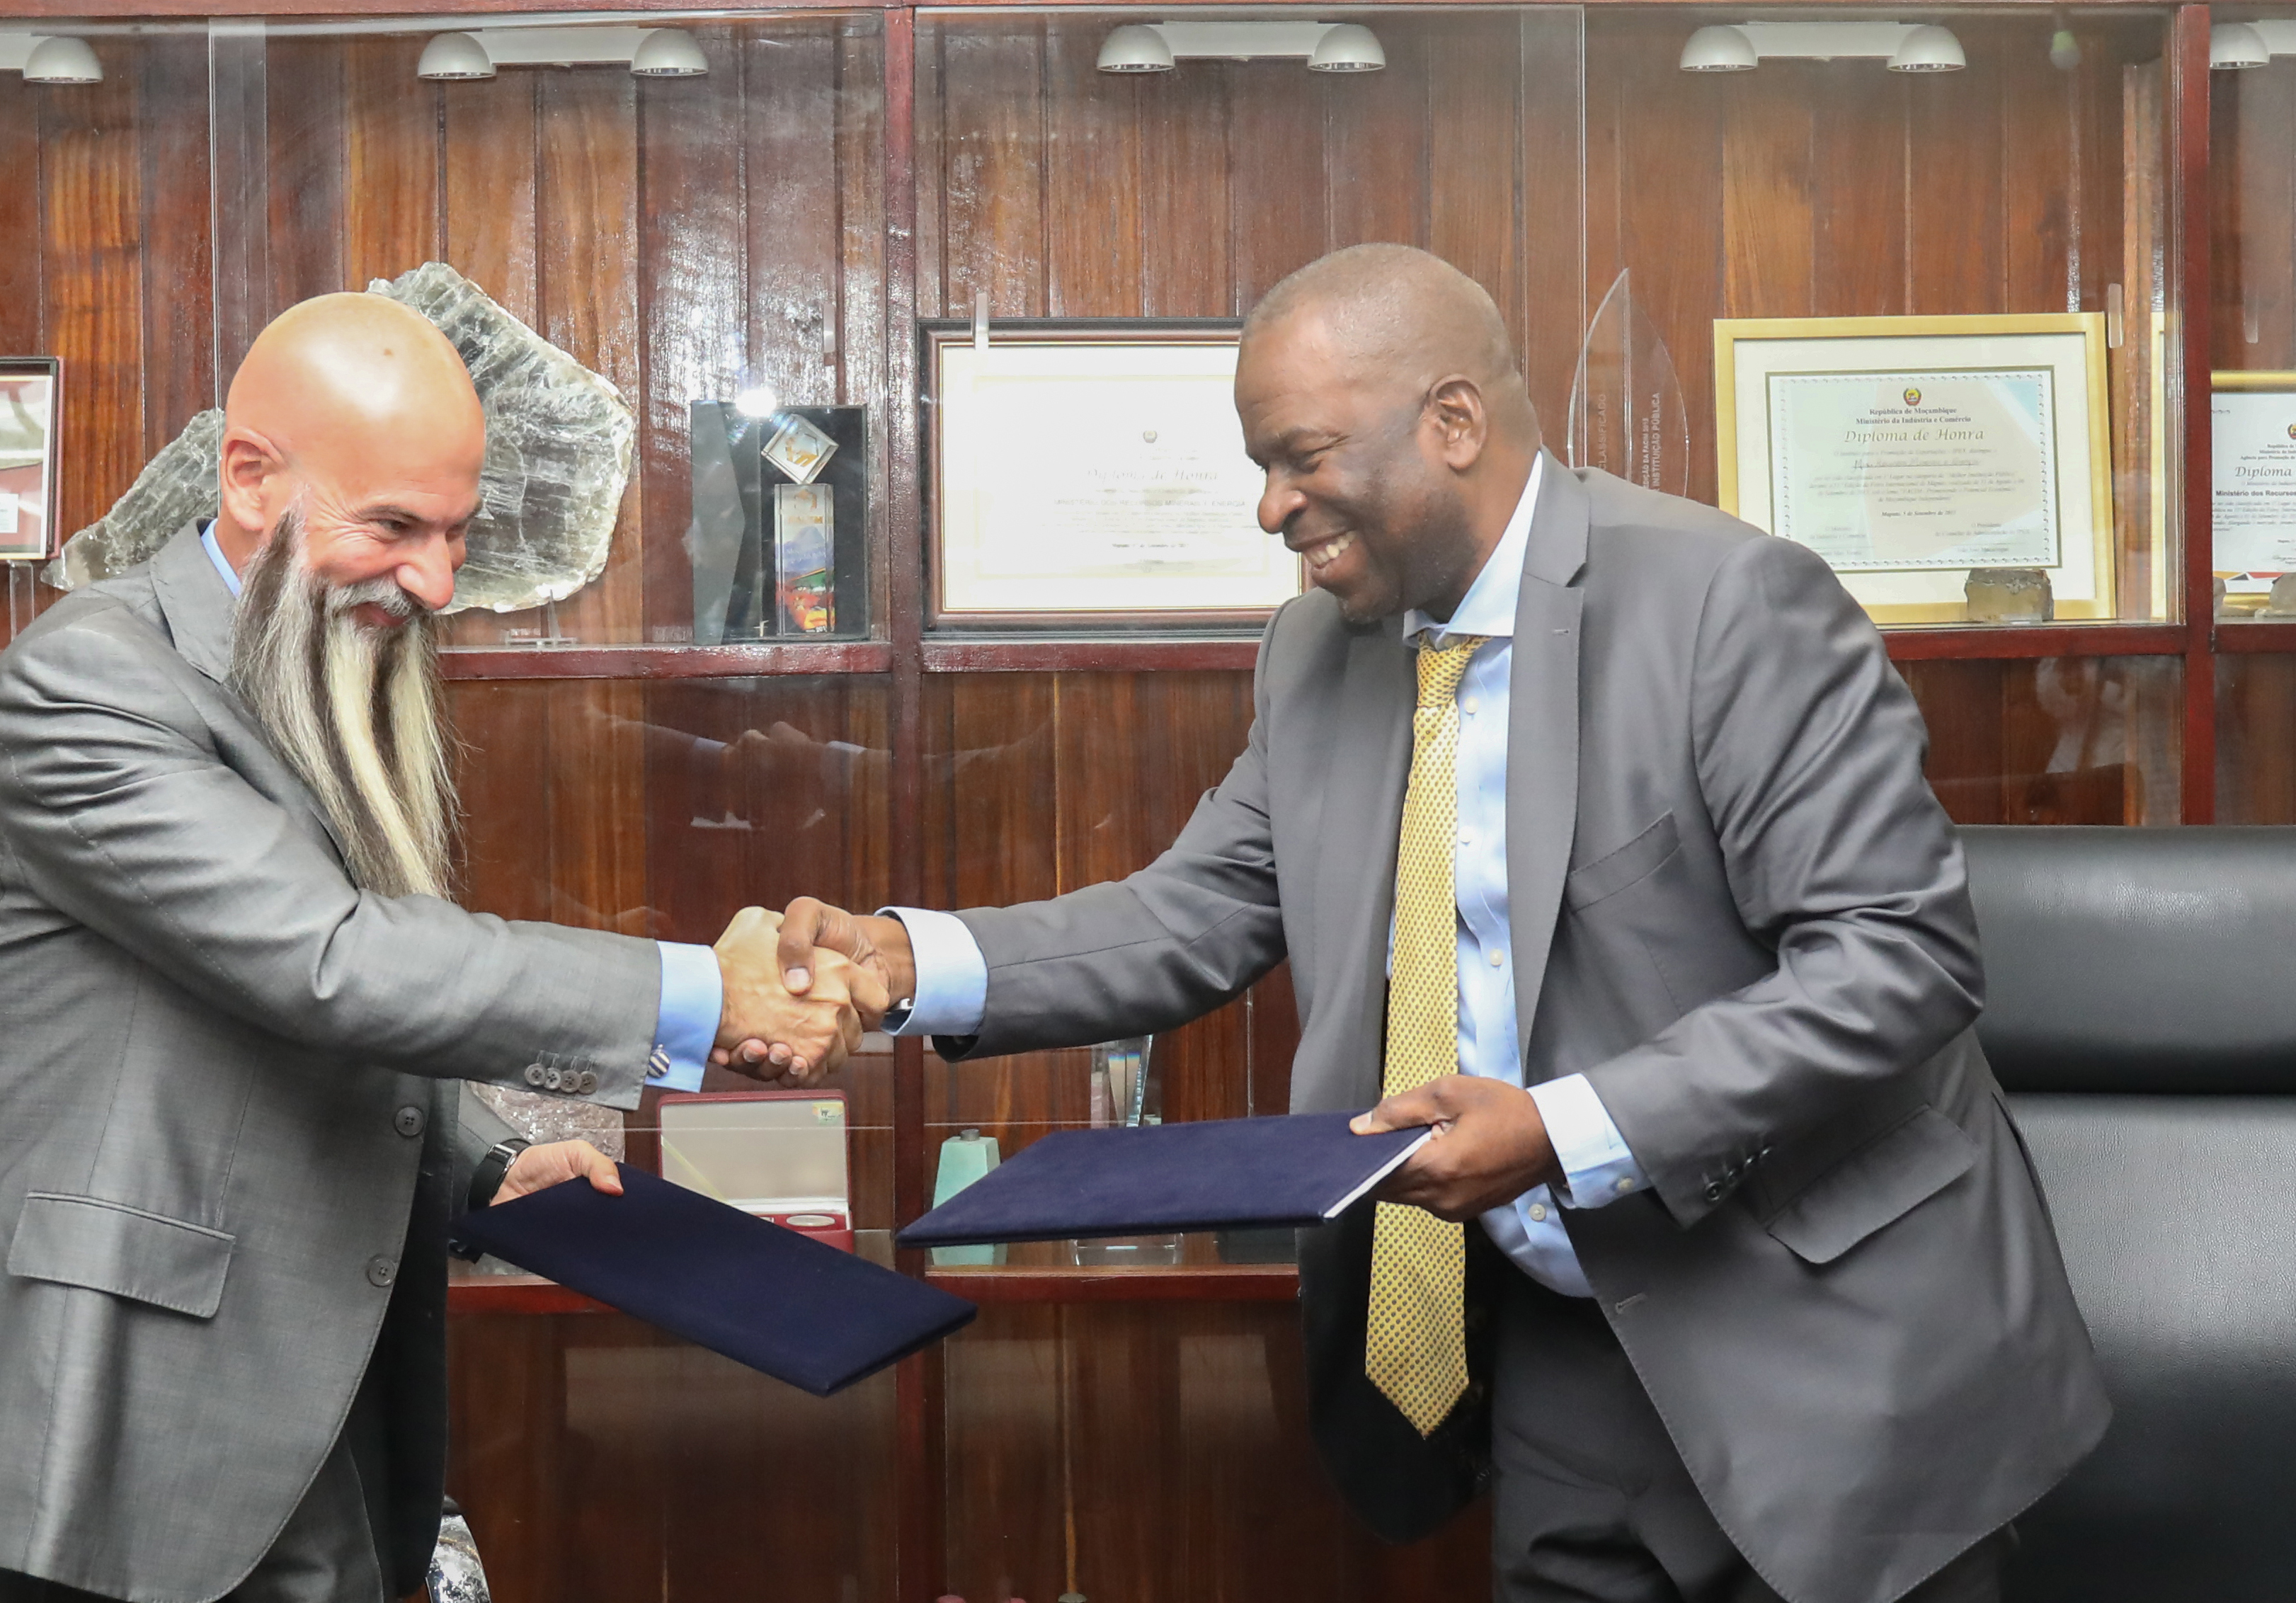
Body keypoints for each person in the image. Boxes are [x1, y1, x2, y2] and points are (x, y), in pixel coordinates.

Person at [755, 246, 2107, 1603]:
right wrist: (907, 959)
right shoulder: (1316, 652)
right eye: (1262, 466)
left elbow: (1899, 957)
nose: (1273, 508)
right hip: (1561, 1350)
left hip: (1827, 1349)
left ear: (1452, 423)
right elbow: (1200, 908)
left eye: (1301, 457)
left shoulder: (1726, 607)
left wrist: (1562, 1131)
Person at [0, 292, 883, 1603]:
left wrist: (482, 1161)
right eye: (393, 527)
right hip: (93, 1426)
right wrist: (698, 987)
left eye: (457, 534)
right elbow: (329, 961)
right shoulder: (87, 684)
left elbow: (268, 1032)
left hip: (297, 1401)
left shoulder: (309, 653)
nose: (438, 582)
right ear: (247, 477)